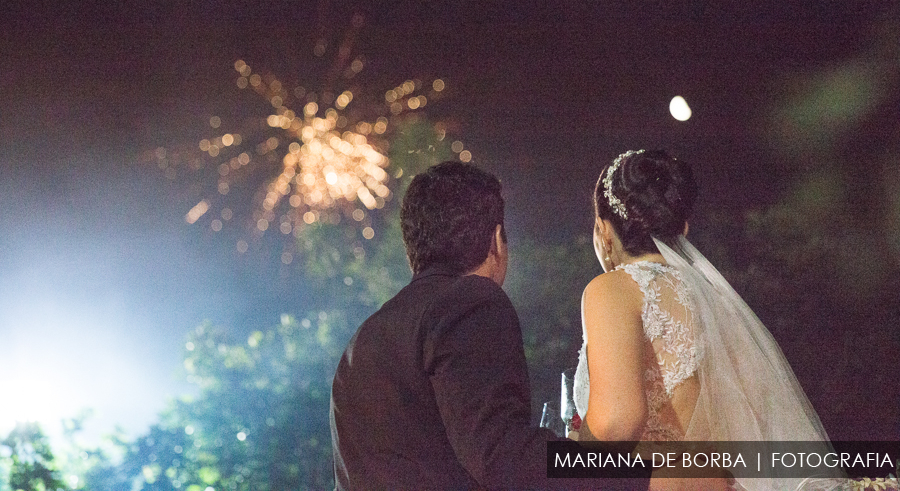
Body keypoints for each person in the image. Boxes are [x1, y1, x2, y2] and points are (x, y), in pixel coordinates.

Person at [331, 161, 642, 490]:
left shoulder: (364, 337)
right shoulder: (471, 301)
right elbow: (504, 457)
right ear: (496, 240)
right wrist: (638, 472)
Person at [573, 150, 837, 491]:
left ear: (603, 231)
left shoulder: (612, 290)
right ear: (682, 227)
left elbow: (615, 423)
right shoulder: (717, 298)